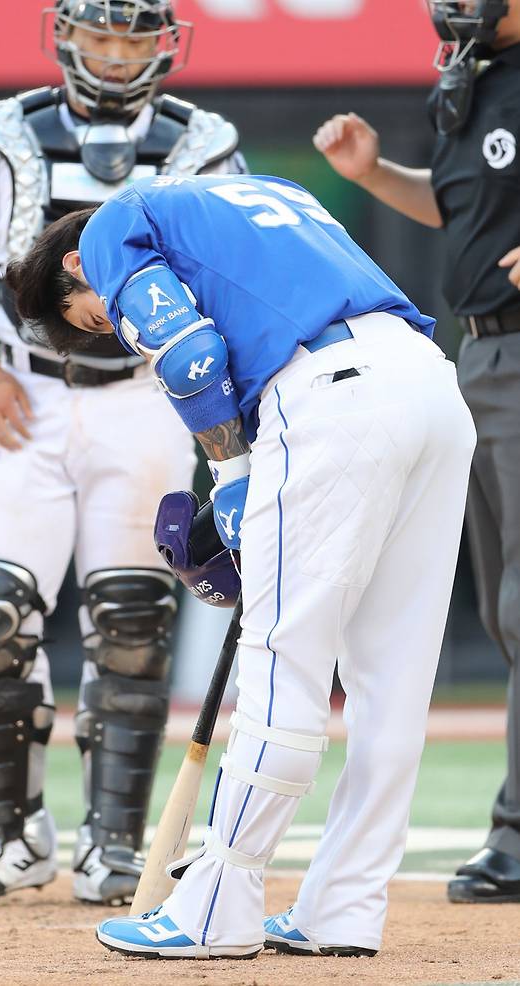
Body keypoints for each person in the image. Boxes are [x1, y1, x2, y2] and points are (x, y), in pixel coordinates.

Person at [4, 172, 475, 958]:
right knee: (391, 678)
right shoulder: (268, 189)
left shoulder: (108, 229)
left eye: (93, 320)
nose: (112, 331)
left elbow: (189, 355)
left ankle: (216, 906)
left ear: (77, 270)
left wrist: (231, 471)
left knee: (282, 655)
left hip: (332, 396)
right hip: (429, 384)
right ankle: (344, 909)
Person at [0, 0, 247, 906]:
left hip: (145, 397)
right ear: (64, 36)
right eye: (100, 35)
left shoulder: (206, 142)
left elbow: (234, 270)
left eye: (134, 38)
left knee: (133, 620)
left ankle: (116, 845)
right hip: (24, 393)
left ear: (164, 45)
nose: (114, 54)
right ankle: (14, 837)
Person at [314, 0, 520, 904]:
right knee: (501, 603)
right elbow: (457, 205)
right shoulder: (471, 76)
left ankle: (516, 838)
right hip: (481, 353)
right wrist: (374, 173)